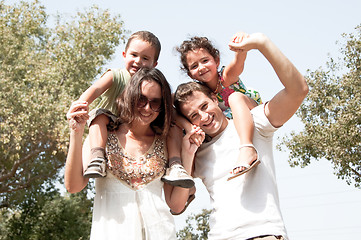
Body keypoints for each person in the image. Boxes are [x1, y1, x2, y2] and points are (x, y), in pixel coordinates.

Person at [173, 33, 309, 239]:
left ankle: (246, 149)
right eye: (194, 115)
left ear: (213, 99)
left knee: (237, 97)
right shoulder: (197, 150)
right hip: (220, 235)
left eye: (204, 106)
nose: (203, 116)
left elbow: (298, 90)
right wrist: (189, 145)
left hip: (262, 232)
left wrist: (262, 44)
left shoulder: (254, 124)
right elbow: (177, 204)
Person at [65, 67, 199, 239]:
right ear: (130, 96)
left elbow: (176, 205)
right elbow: (73, 186)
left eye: (155, 102)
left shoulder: (166, 141)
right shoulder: (102, 135)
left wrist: (188, 156)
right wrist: (76, 134)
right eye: (141, 100)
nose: (147, 108)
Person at [75, 30, 193, 188]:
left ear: (154, 64)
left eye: (145, 58)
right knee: (98, 116)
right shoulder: (116, 76)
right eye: (134, 55)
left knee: (172, 126)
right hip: (111, 124)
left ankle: (176, 165)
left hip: (137, 128)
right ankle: (97, 156)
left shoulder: (153, 85)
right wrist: (80, 105)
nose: (138, 61)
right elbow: (96, 89)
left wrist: (188, 127)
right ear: (124, 55)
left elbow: (171, 111)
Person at [176, 33, 262, 180]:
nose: (201, 67)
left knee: (234, 98)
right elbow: (169, 103)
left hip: (247, 107)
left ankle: (247, 147)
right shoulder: (198, 92)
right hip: (223, 121)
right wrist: (188, 126)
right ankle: (187, 181)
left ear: (216, 60)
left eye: (205, 61)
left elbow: (238, 64)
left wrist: (241, 49)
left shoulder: (226, 77)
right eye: (194, 66)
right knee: (188, 131)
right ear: (190, 74)